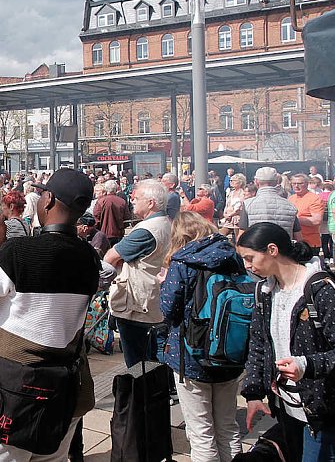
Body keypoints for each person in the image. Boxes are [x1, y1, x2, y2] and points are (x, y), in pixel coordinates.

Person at [0, 168, 100, 460]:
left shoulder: (17, 253)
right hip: (66, 390)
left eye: (42, 195)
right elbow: (47, 269)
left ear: (49, 199)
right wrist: (2, 248)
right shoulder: (89, 258)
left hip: (16, 394)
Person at [237, 223, 335, 462]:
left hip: (326, 410)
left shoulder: (321, 290)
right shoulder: (264, 291)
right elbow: (259, 344)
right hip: (287, 408)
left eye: (250, 258)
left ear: (272, 250)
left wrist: (306, 365)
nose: (247, 266)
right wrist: (253, 393)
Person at [159, 212, 244, 462]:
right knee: (228, 426)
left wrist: (163, 283)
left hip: (191, 354)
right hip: (230, 351)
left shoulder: (183, 262)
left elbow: (168, 310)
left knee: (201, 431)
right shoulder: (233, 257)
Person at [105, 178, 172, 367]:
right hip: (151, 301)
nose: (132, 200)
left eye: (136, 197)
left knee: (138, 364)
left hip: (137, 305)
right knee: (152, 360)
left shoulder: (146, 230)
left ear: (151, 203)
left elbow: (110, 257)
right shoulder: (166, 223)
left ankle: (143, 387)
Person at [238, 167, 300, 240]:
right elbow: (298, 237)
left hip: (257, 245)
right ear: (276, 182)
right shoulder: (290, 205)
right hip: (283, 246)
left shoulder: (248, 204)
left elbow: (241, 235)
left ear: (256, 182)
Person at [288, 173, 325, 268]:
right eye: (294, 183)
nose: (296, 186)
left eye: (300, 183)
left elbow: (316, 220)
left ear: (307, 184)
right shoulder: (291, 198)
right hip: (294, 243)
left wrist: (295, 220)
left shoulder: (314, 199)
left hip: (309, 243)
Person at [93, 179, 129, 246]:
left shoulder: (101, 201)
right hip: (118, 234)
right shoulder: (122, 201)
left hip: (103, 234)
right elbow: (126, 218)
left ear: (106, 189)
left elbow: (96, 218)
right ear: (116, 189)